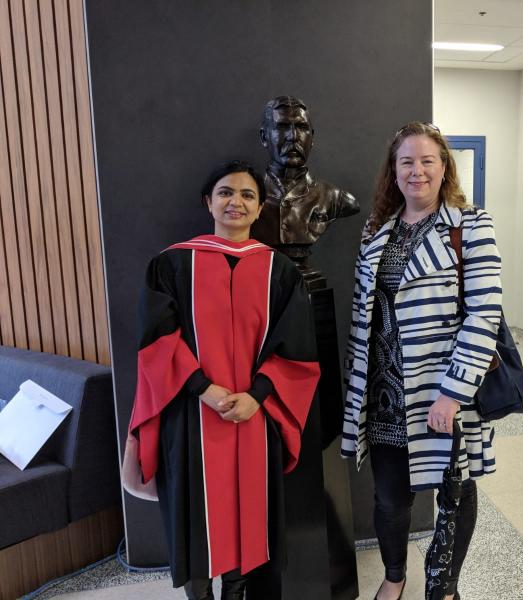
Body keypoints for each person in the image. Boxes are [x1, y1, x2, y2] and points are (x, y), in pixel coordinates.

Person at [122, 160, 320, 600]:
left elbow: (296, 348)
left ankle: (235, 591)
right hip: (190, 416)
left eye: (248, 195)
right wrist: (203, 389)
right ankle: (200, 594)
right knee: (195, 515)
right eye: (226, 192)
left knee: (249, 514)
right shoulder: (171, 266)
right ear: (208, 203)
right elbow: (157, 341)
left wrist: (257, 396)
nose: (237, 202)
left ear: (260, 207)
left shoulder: (281, 273)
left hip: (255, 415)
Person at [341, 123, 502, 600]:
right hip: (386, 393)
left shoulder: (470, 225)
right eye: (407, 161)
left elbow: (485, 311)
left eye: (428, 160)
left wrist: (453, 392)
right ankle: (394, 578)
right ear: (393, 171)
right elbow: (363, 313)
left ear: (444, 166)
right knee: (390, 497)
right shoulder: (377, 231)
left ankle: (445, 587)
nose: (417, 171)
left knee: (453, 492)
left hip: (443, 389)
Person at [250, 95, 359, 262]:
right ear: (264, 137)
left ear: (312, 137)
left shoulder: (337, 199)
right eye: (282, 127)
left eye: (301, 127)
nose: (293, 136)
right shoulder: (247, 199)